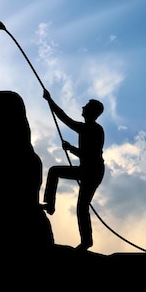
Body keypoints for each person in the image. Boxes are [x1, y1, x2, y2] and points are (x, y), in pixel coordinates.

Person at [41, 89, 105, 251]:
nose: (82, 107)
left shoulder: (94, 130)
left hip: (93, 172)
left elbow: (90, 155)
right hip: (87, 169)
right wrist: (50, 101)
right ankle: (50, 204)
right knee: (55, 172)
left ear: (92, 112)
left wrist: (71, 148)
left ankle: (86, 241)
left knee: (82, 206)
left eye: (87, 106)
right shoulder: (86, 128)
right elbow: (65, 118)